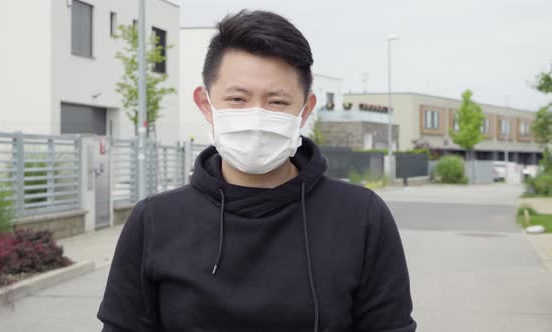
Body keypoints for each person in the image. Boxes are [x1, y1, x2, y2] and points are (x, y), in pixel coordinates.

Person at [98, 9, 416, 332]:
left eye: (276, 102)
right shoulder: (154, 222)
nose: (257, 117)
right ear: (206, 104)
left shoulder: (361, 217)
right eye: (237, 98)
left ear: (305, 110)